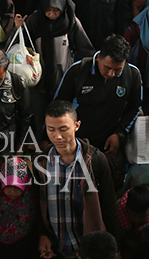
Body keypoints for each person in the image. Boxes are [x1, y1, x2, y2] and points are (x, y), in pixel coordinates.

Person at [35, 101, 119, 259]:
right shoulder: (41, 163)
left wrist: (115, 249)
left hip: (90, 248)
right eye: (50, 129)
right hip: (57, 249)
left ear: (77, 125)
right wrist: (42, 234)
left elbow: (109, 206)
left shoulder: (96, 161)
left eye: (63, 129)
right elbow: (38, 204)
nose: (57, 136)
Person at [55, 35, 142, 184]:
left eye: (117, 70)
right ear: (99, 58)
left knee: (109, 188)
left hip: (109, 147)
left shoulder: (132, 75)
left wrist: (119, 134)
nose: (111, 74)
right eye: (107, 68)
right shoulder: (78, 71)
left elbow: (134, 108)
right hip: (77, 145)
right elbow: (58, 107)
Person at [22, 0, 95, 102]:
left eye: (56, 10)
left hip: (63, 78)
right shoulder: (34, 21)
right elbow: (23, 43)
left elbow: (84, 48)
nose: (52, 14)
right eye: (48, 10)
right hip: (39, 77)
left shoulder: (71, 22)